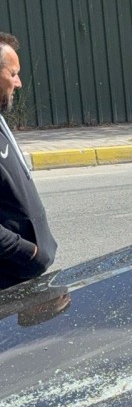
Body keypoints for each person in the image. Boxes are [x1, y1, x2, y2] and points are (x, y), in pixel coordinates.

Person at [0, 32, 57, 290]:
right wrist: (30, 253)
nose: (19, 82)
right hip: (8, 278)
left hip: (22, 274)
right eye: (13, 74)